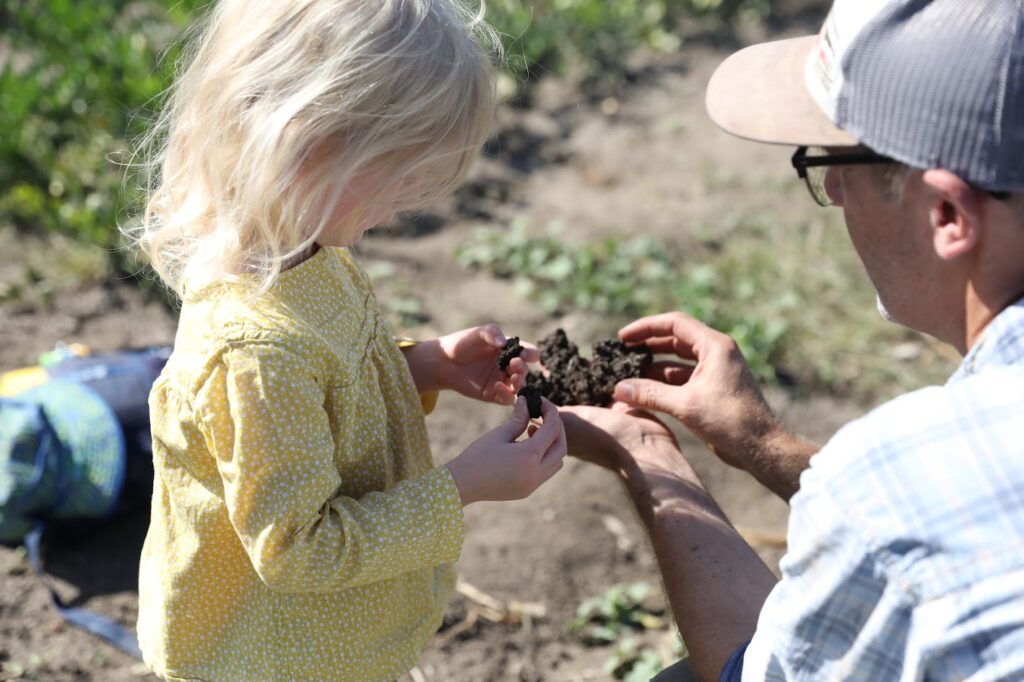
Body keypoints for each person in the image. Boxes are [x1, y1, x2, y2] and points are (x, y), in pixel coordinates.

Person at [560, 0, 1024, 680]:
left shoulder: (904, 474)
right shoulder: (929, 474)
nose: (833, 189)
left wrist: (645, 451)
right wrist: (760, 443)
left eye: (839, 161)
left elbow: (754, 671)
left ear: (948, 213)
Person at [125, 1, 566, 680]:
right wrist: (462, 486)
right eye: (401, 174)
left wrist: (429, 366)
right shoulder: (254, 350)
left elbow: (326, 396)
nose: (408, 201)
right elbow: (299, 549)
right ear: (308, 142)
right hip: (270, 655)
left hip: (323, 642)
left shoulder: (308, 256)